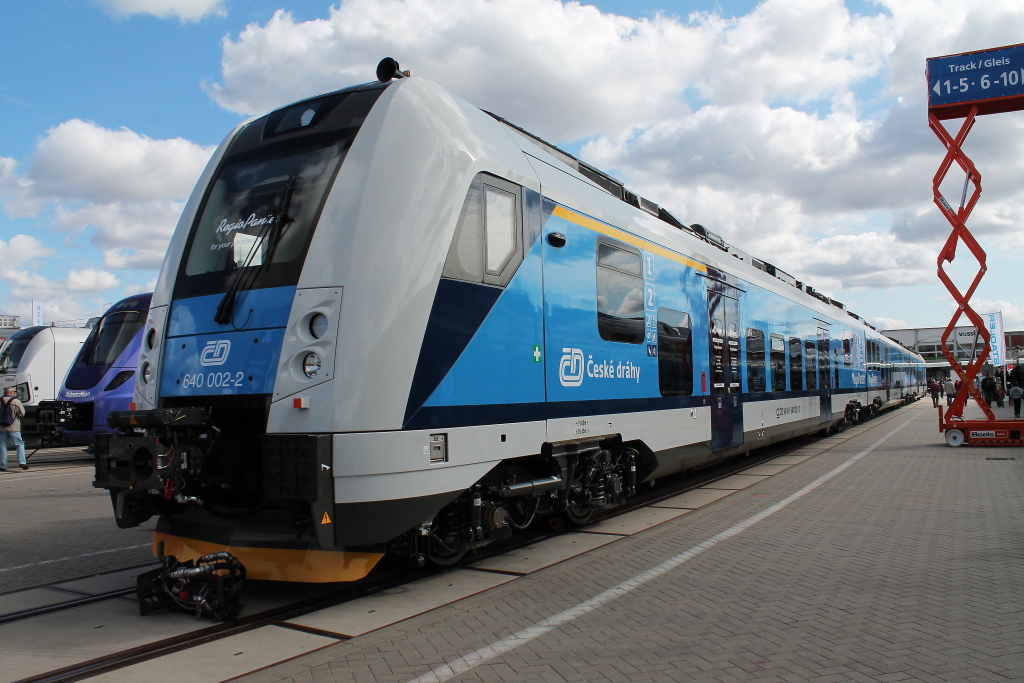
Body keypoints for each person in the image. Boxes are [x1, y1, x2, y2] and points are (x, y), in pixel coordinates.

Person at [0, 386, 27, 471]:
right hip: (13, 427)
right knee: (19, 444)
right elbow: (22, 414)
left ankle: (3, 465)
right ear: (11, 392)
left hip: (1, 427)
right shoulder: (16, 401)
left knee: (2, 446)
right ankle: (22, 462)